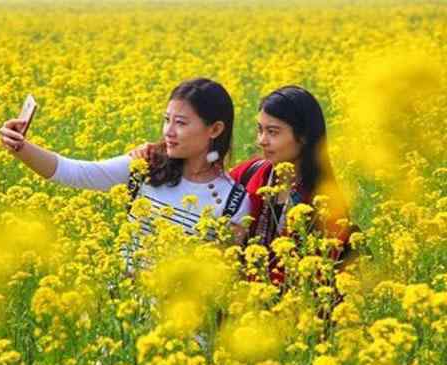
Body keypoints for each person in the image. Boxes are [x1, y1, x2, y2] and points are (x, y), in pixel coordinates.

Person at [0, 78, 250, 272]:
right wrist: (21, 147)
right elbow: (75, 172)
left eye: (181, 123)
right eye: (166, 120)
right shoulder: (147, 165)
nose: (168, 131)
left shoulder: (234, 202)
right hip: (124, 319)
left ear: (215, 129)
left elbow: (219, 281)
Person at [132, 85, 358, 283]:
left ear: (304, 137)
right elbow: (203, 183)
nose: (262, 140)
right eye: (260, 129)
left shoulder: (327, 204)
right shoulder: (251, 172)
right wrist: (157, 154)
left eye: (273, 132)